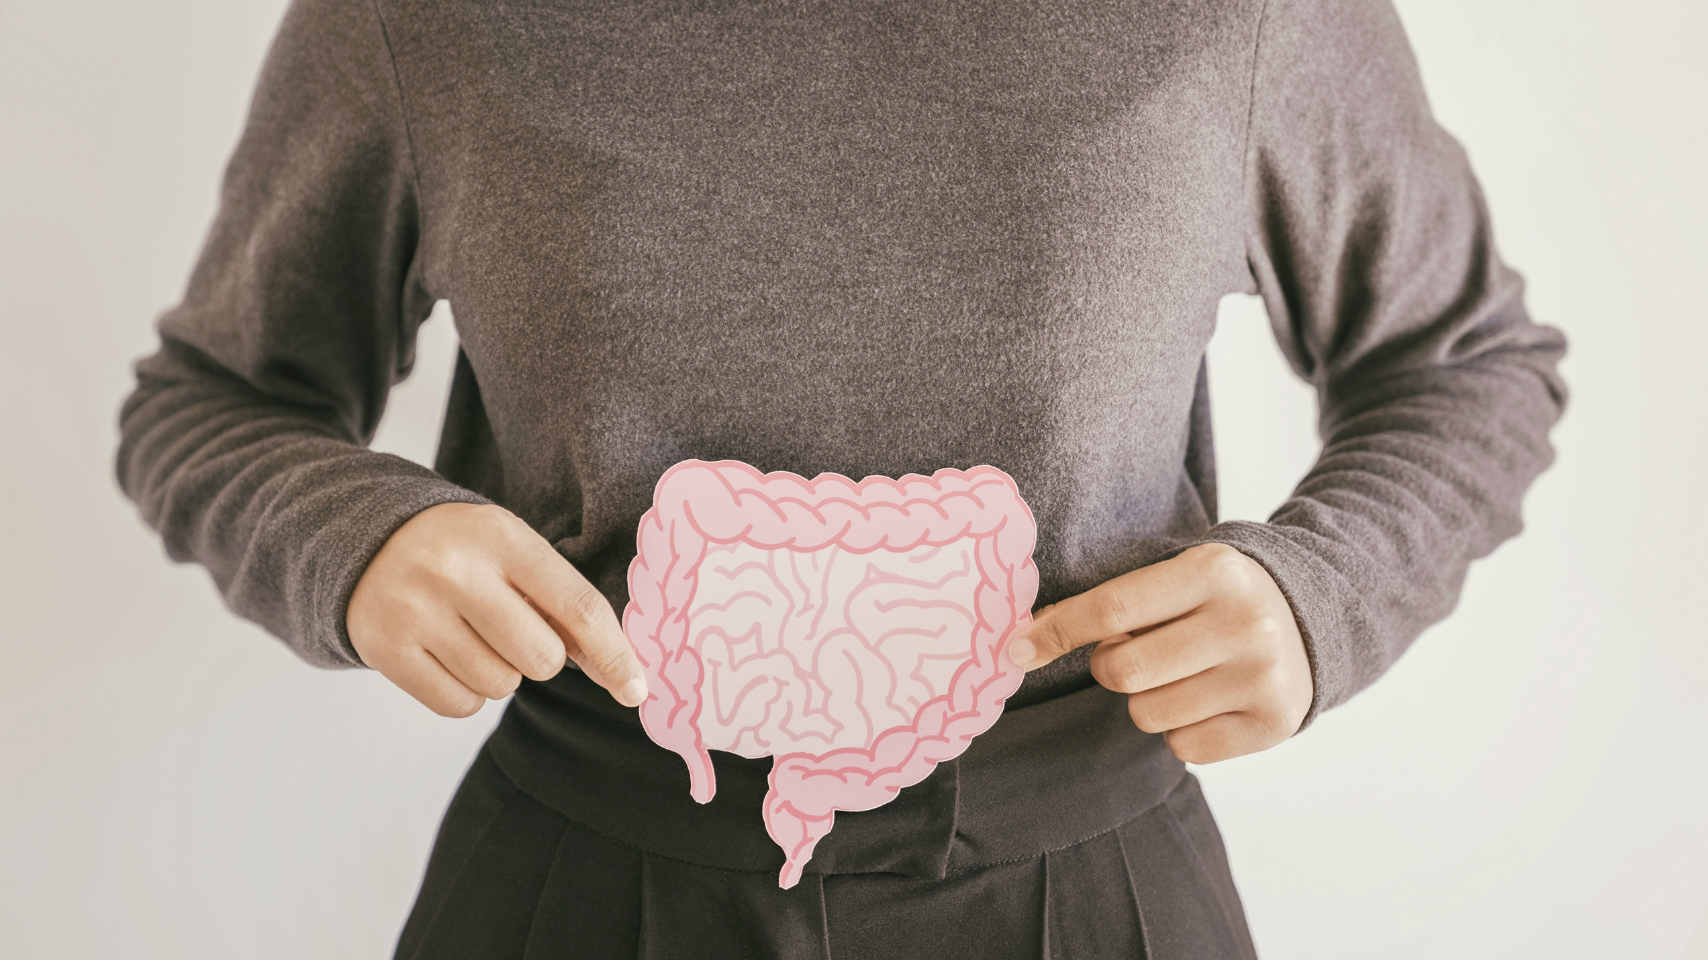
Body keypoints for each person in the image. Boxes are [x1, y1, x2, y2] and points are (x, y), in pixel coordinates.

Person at [115, 0, 1567, 956]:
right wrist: (349, 537)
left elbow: (1465, 363)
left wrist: (1329, 590)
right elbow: (215, 399)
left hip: (1089, 878)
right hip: (586, 873)